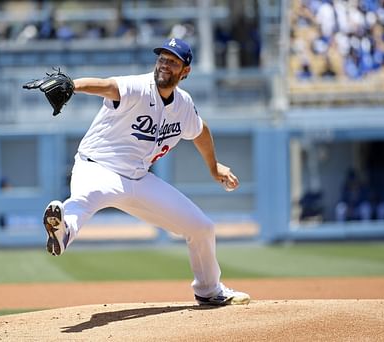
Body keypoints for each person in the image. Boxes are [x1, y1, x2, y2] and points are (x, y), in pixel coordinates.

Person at [43, 37, 250, 306]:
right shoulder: (139, 87)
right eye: (162, 58)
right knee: (82, 202)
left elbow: (201, 131)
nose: (164, 64)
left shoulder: (183, 105)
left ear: (185, 71)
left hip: (139, 180)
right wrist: (73, 85)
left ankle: (209, 290)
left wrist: (214, 167)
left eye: (172, 61)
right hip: (98, 167)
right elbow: (107, 86)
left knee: (202, 228)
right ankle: (62, 231)